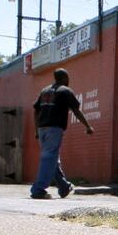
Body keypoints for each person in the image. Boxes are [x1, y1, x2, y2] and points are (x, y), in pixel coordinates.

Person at [30, 67, 94, 199]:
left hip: (42, 129)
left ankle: (64, 186)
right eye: (68, 77)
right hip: (54, 129)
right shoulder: (65, 91)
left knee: (52, 158)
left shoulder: (45, 91)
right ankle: (38, 189)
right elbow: (76, 110)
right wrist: (87, 126)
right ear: (65, 78)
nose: (69, 80)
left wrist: (37, 130)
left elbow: (36, 110)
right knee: (49, 158)